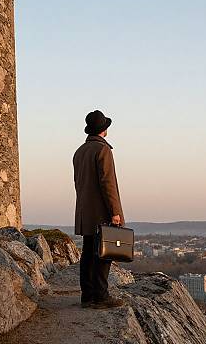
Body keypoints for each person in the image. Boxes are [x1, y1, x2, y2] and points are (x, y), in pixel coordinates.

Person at [73, 109, 125, 309]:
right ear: (104, 129)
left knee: (87, 254)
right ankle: (101, 297)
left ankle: (87, 296)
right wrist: (115, 212)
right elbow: (108, 183)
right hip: (101, 211)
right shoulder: (103, 150)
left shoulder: (79, 151)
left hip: (85, 211)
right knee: (104, 254)